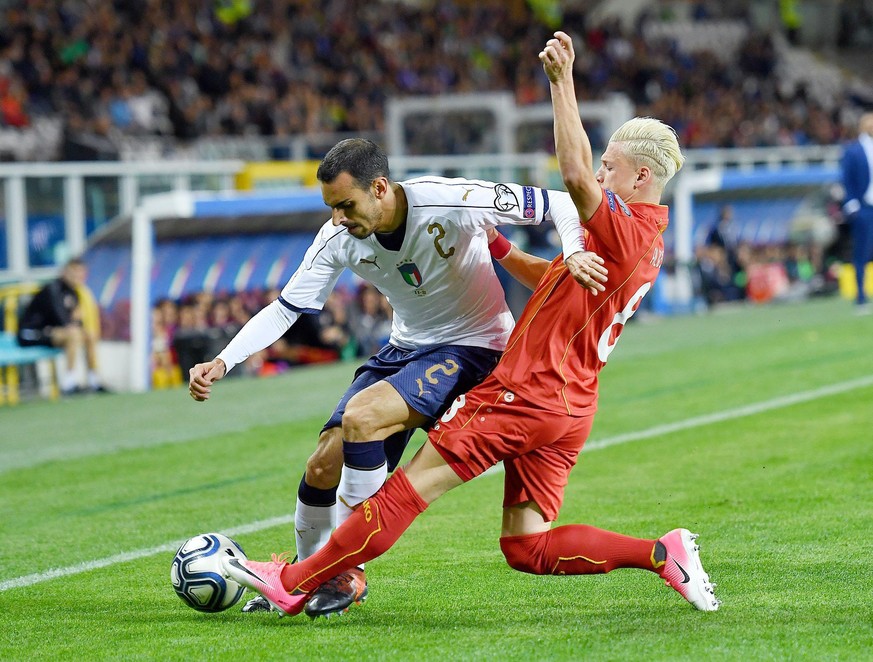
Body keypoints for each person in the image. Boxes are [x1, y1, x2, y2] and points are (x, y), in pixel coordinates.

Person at [221, 31, 720, 618]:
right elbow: (555, 281)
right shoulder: (642, 244)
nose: (601, 173)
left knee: (409, 489)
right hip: (572, 403)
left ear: (639, 179)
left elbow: (574, 178)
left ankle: (295, 580)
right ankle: (662, 554)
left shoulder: (626, 227)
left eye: (611, 166)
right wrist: (501, 245)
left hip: (526, 390)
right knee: (527, 545)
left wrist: (563, 86)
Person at [188, 137, 608, 616]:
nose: (338, 219)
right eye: (331, 208)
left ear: (381, 187)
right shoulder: (337, 237)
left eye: (346, 205)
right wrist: (224, 360)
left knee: (363, 418)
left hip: (476, 346)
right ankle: (307, 581)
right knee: (322, 464)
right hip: (404, 347)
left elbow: (557, 202)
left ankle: (347, 570)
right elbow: (286, 307)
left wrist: (574, 251)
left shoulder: (452, 200)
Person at [17, 257, 106, 394]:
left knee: (89, 334)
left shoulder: (74, 292)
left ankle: (94, 380)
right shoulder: (53, 289)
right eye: (74, 273)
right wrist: (74, 324)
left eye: (80, 273)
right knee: (73, 335)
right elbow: (61, 318)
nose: (78, 277)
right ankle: (68, 383)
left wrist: (78, 323)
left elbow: (74, 320)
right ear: (65, 272)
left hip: (52, 332)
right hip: (30, 334)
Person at [840, 112, 873, 314]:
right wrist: (853, 207)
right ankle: (860, 295)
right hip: (864, 208)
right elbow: (847, 181)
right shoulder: (853, 151)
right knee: (861, 252)